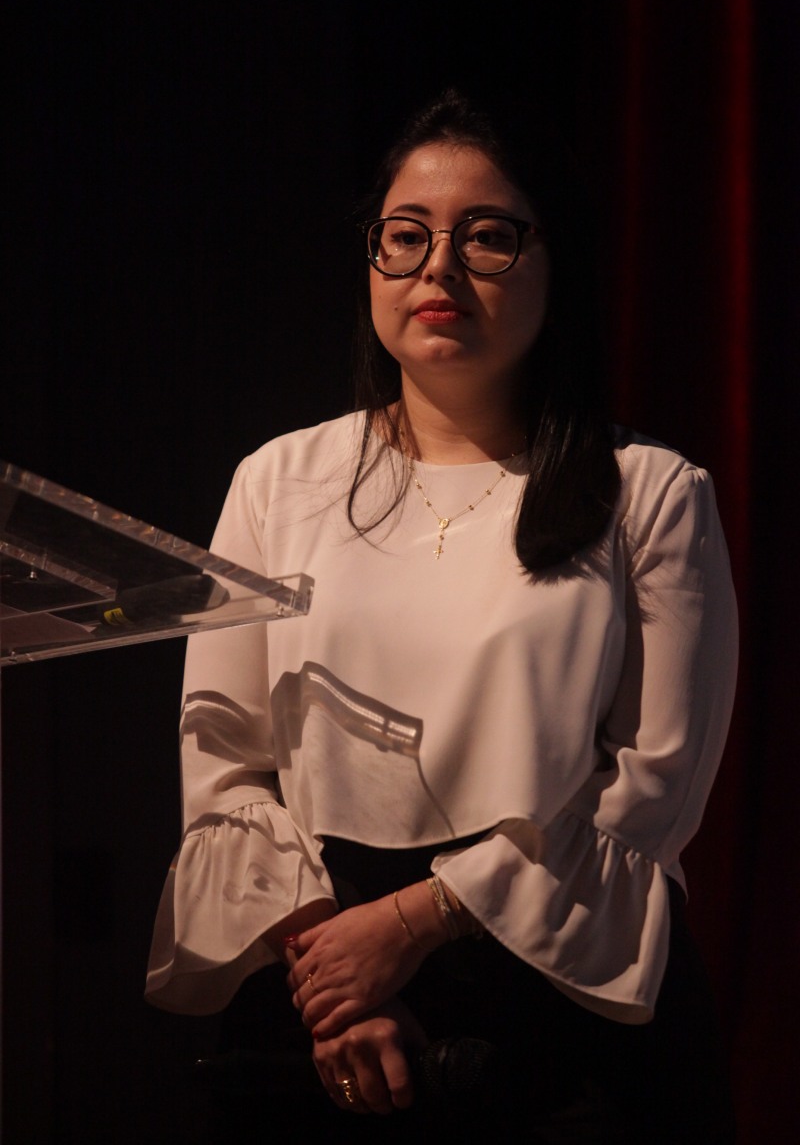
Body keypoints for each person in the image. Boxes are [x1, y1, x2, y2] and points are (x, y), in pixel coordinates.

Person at [146, 90, 738, 1142]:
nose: (438, 268)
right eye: (405, 235)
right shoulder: (279, 480)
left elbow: (649, 786)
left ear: (555, 262)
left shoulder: (648, 491)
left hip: (561, 996)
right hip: (323, 978)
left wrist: (415, 923)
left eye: (487, 236)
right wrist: (336, 976)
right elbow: (224, 761)